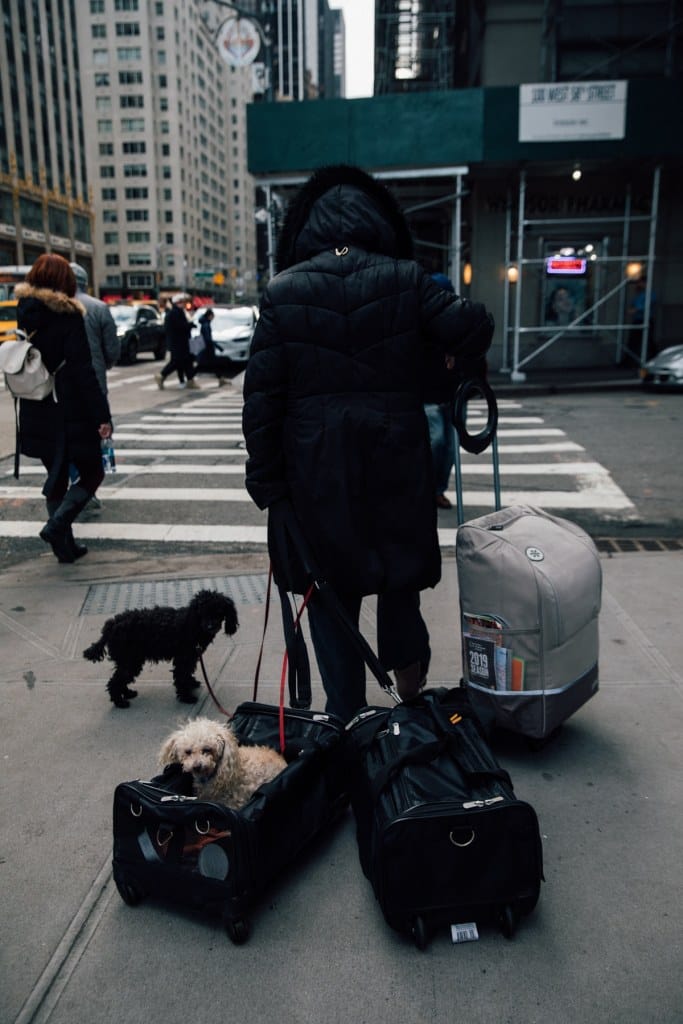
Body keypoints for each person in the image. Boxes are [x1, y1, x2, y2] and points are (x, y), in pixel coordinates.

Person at [242, 164, 494, 722]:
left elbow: (261, 400)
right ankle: (410, 702)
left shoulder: (283, 292)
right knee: (399, 580)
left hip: (316, 473)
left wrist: (269, 488)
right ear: (377, 222)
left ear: (307, 230)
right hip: (395, 462)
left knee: (330, 595)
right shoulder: (406, 279)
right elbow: (472, 327)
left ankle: (347, 717)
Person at [15, 254, 113, 563]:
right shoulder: (68, 315)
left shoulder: (25, 312)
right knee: (93, 472)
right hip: (69, 409)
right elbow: (84, 369)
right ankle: (57, 526)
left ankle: (64, 549)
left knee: (56, 475)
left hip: (36, 406)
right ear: (64, 281)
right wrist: (102, 416)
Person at [69, 262, 120, 512]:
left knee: (67, 437)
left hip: (61, 388)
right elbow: (112, 349)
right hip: (95, 382)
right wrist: (105, 363)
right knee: (96, 435)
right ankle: (87, 488)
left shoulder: (54, 307)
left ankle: (74, 482)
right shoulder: (98, 307)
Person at [423, 272, 459, 509]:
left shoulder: (456, 321)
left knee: (450, 448)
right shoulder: (421, 322)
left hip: (452, 394)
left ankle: (438, 490)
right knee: (436, 441)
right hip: (429, 395)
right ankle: (429, 489)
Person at [155, 293, 199, 389]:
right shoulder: (176, 313)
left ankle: (190, 381)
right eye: (182, 302)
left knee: (186, 362)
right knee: (177, 362)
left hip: (179, 343)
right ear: (178, 303)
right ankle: (161, 375)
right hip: (179, 343)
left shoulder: (175, 312)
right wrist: (190, 325)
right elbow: (180, 327)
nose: (184, 304)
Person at [193, 308, 231, 386]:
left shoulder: (205, 323)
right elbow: (208, 339)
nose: (213, 318)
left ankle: (221, 379)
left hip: (206, 348)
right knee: (202, 365)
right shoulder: (206, 325)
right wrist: (217, 346)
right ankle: (190, 378)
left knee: (212, 365)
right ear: (210, 316)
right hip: (207, 348)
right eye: (212, 316)